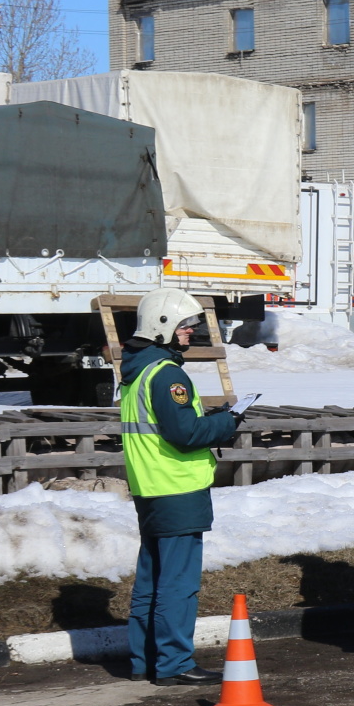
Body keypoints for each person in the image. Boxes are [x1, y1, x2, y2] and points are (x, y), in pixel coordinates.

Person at [119, 289, 242, 685]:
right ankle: (174, 664)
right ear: (162, 326)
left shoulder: (138, 371)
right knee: (178, 583)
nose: (189, 333)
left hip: (150, 488)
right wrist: (227, 422)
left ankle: (144, 661)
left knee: (151, 579)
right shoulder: (168, 373)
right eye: (185, 326)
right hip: (177, 488)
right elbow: (185, 433)